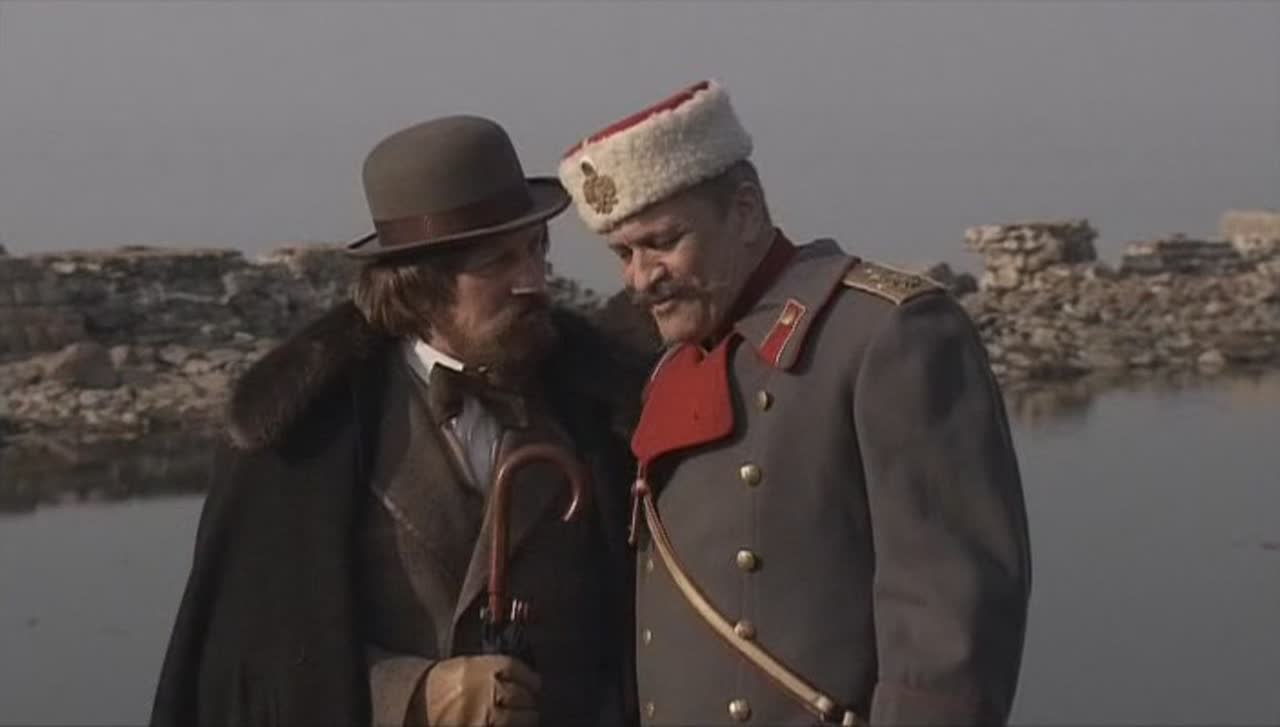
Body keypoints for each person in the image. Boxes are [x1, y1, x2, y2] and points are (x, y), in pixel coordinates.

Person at [555, 79, 1033, 726]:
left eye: (663, 242)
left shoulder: (888, 336)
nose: (641, 278)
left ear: (746, 211)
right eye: (623, 252)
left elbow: (951, 618)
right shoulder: (670, 368)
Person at [151, 115, 648, 727]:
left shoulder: (599, 407)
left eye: (536, 250)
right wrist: (413, 696)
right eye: (498, 262)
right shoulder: (308, 438)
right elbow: (253, 661)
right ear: (421, 284)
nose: (533, 281)